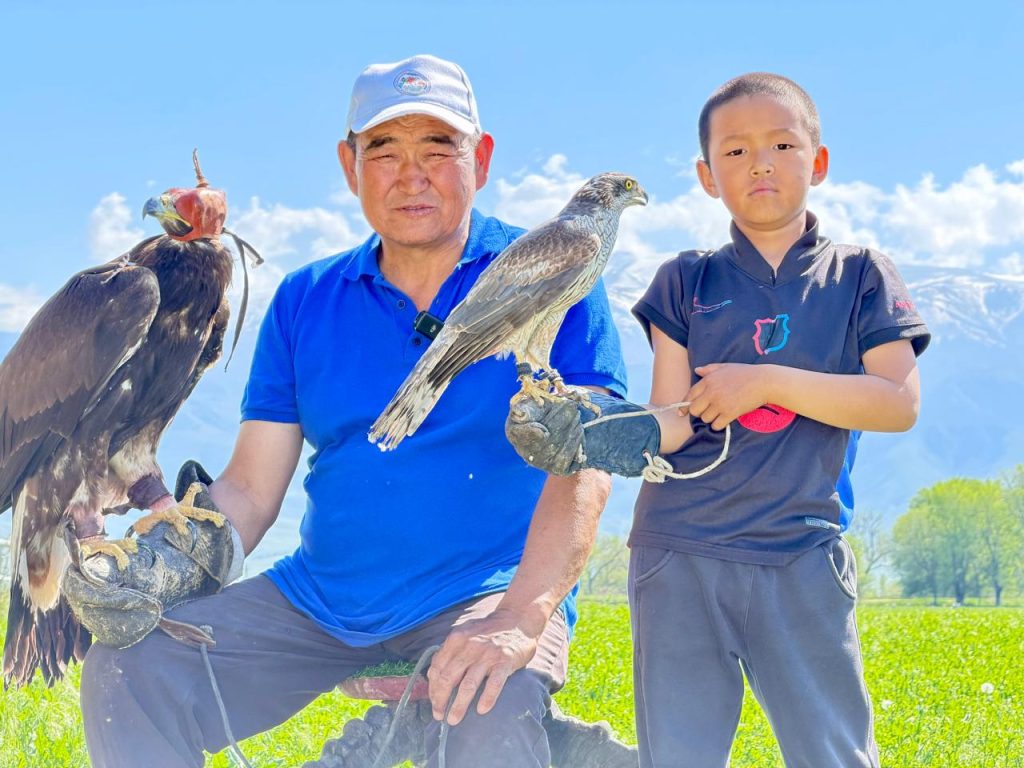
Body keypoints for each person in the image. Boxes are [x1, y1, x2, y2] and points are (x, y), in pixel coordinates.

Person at [77, 53, 626, 768]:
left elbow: (590, 465)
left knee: (490, 702)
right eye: (384, 151)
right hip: (321, 602)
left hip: (481, 595)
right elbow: (249, 489)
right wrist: (158, 565)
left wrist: (520, 618)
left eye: (439, 147)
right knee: (134, 669)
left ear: (481, 159)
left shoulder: (556, 272)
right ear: (349, 165)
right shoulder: (306, 298)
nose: (412, 173)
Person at [506, 72, 930, 767]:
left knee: (834, 755)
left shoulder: (860, 277)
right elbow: (675, 420)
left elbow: (897, 402)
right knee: (680, 757)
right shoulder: (685, 280)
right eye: (734, 152)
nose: (759, 162)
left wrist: (765, 381)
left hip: (801, 553)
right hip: (679, 555)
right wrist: (598, 436)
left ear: (817, 162)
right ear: (706, 177)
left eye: (781, 144)